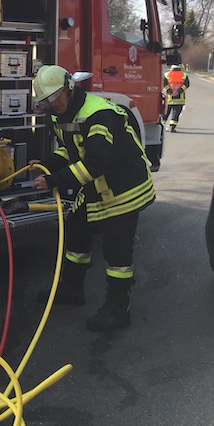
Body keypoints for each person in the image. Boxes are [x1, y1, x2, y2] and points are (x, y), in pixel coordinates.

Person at [29, 65, 155, 332]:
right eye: (47, 101)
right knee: (76, 229)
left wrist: (54, 180)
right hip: (99, 186)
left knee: (116, 249)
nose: (54, 105)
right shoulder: (60, 114)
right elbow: (71, 149)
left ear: (69, 88)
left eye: (56, 97)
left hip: (124, 187)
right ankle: (72, 289)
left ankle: (119, 310)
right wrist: (46, 164)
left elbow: (95, 163)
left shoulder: (99, 115)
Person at [163, 64, 189, 132]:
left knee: (165, 114)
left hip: (169, 99)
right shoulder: (184, 75)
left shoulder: (167, 75)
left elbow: (164, 84)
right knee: (176, 114)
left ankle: (161, 127)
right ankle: (172, 128)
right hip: (180, 99)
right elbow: (186, 84)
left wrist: (170, 91)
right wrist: (179, 91)